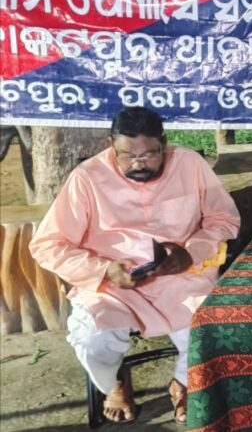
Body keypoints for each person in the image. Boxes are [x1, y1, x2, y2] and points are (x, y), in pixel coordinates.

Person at [30, 107, 240, 424]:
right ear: (111, 145)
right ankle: (114, 382)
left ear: (163, 144)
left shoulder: (189, 164)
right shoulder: (87, 177)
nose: (138, 164)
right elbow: (47, 244)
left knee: (213, 327)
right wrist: (103, 269)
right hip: (114, 284)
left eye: (148, 155)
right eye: (127, 156)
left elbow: (224, 219)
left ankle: (184, 382)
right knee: (94, 341)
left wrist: (190, 252)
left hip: (182, 275)